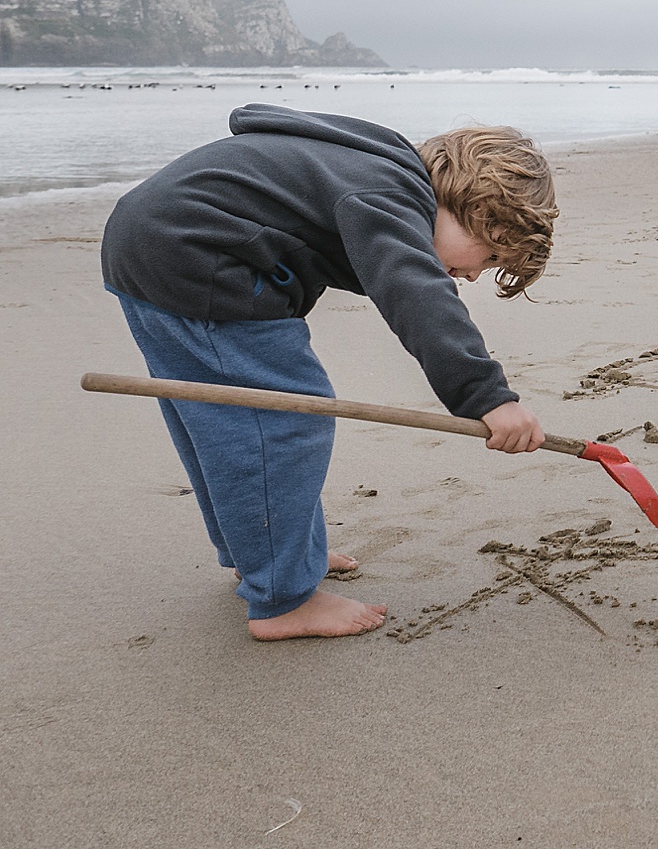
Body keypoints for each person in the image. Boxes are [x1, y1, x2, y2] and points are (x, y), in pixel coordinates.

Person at [100, 105, 558, 640]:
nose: (476, 273)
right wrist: (487, 395)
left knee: (220, 418)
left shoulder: (367, 169)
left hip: (154, 243)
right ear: (472, 204)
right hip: (200, 260)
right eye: (489, 252)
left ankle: (265, 559)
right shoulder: (389, 194)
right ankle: (283, 599)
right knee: (285, 424)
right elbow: (415, 291)